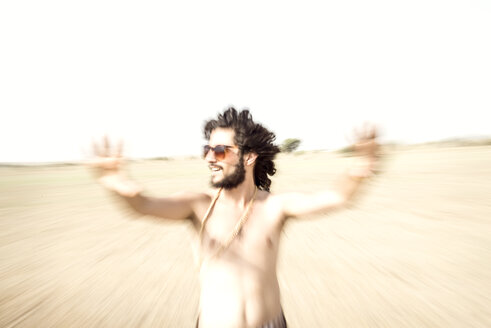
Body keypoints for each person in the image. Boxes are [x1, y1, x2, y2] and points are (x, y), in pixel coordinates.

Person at [90, 107, 378, 328]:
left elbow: (336, 197)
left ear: (249, 157)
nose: (209, 158)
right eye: (207, 149)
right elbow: (143, 205)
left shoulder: (274, 207)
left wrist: (358, 172)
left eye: (219, 150)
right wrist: (117, 186)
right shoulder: (198, 206)